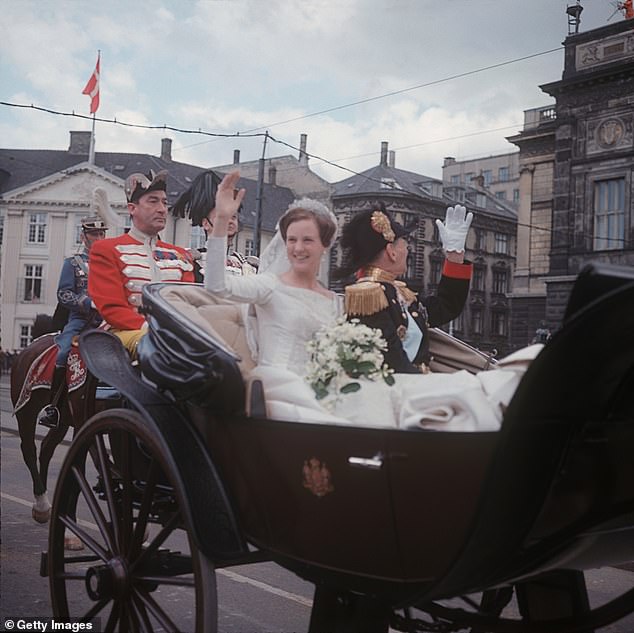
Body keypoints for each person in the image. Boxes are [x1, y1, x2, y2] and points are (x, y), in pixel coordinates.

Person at [204, 170, 346, 423]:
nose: (298, 248)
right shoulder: (270, 285)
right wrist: (223, 220)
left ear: (324, 246)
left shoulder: (333, 300)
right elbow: (217, 286)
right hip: (277, 390)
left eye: (307, 240)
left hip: (321, 389)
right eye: (291, 240)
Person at [339, 205, 473, 373]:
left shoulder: (396, 292)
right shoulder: (369, 295)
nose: (408, 250)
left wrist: (455, 257)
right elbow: (393, 363)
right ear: (391, 252)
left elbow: (446, 307)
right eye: (405, 245)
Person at [88, 170, 195, 358]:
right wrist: (153, 329)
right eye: (153, 201)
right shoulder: (106, 249)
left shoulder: (180, 255)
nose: (162, 209)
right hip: (124, 332)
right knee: (159, 347)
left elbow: (190, 305)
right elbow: (111, 308)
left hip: (175, 336)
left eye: (164, 202)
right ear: (132, 208)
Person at [37, 216, 108, 428]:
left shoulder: (109, 263)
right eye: (94, 234)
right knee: (64, 352)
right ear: (83, 236)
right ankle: (53, 407)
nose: (98, 237)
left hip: (106, 321)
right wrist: (87, 303)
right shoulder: (73, 263)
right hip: (80, 320)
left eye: (101, 233)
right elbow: (63, 294)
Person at [170, 169, 258, 282]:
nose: (230, 221)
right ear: (206, 224)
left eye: (233, 217)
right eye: (222, 216)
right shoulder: (192, 260)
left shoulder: (247, 264)